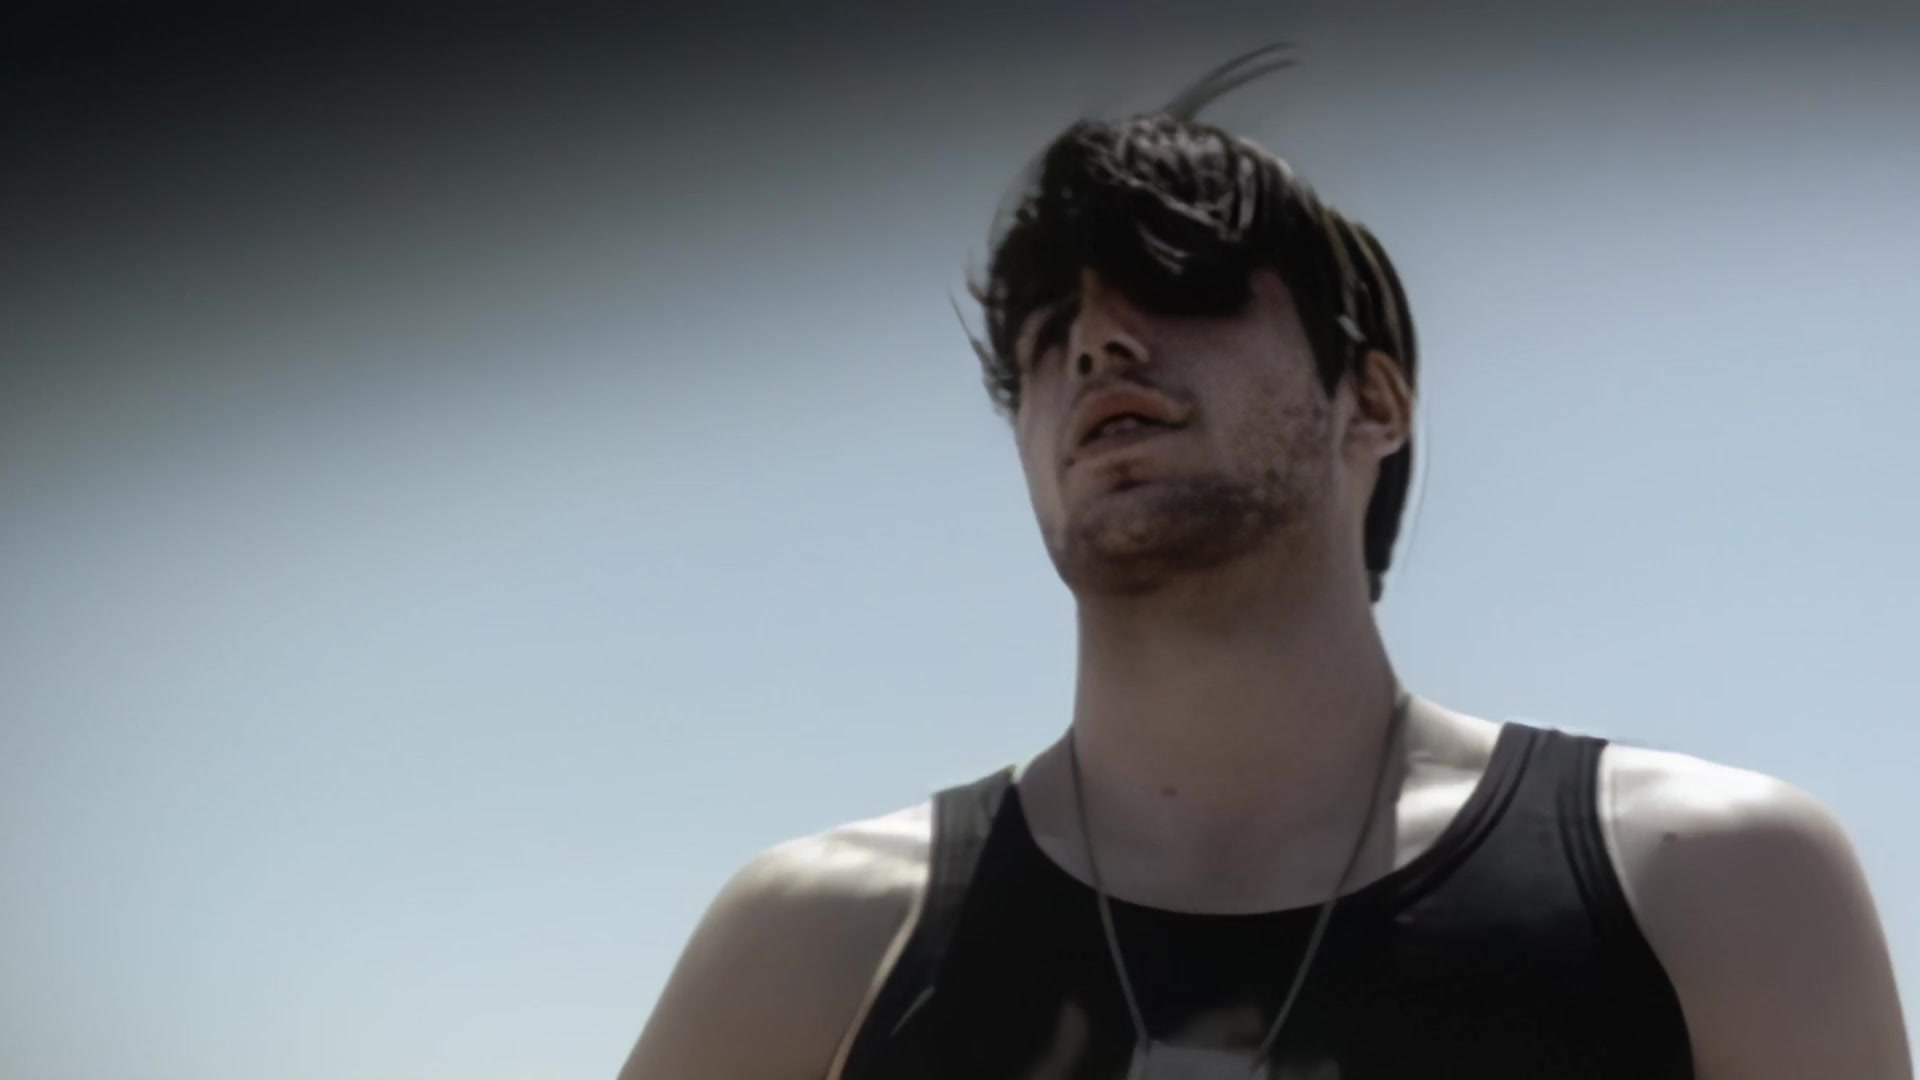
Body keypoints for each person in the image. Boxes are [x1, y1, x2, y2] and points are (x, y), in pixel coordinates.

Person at [618, 47, 1910, 1079]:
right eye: (1048, 333)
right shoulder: (819, 941)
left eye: (1180, 285)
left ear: (1372, 403)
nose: (1098, 345)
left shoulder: (1713, 885)